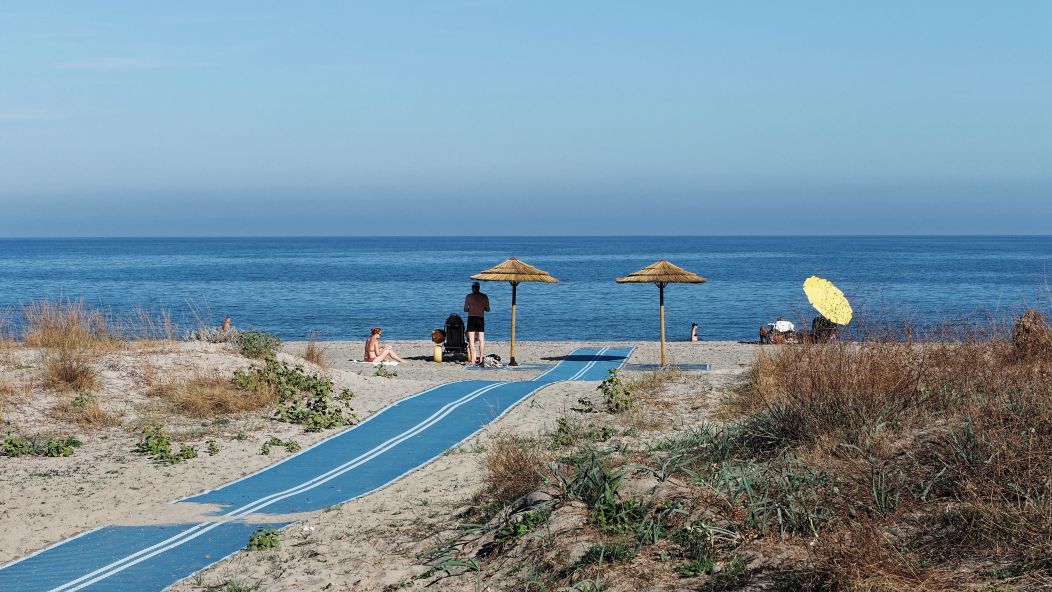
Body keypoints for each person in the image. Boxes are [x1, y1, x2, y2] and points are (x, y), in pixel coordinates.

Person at [464, 281, 490, 366]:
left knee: (471, 340)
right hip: (480, 318)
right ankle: (481, 359)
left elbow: (465, 309)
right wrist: (481, 308)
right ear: (479, 288)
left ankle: (473, 360)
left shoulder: (468, 296)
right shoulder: (484, 296)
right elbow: (488, 309)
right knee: (481, 339)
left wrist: (471, 308)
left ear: (472, 288)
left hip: (471, 318)